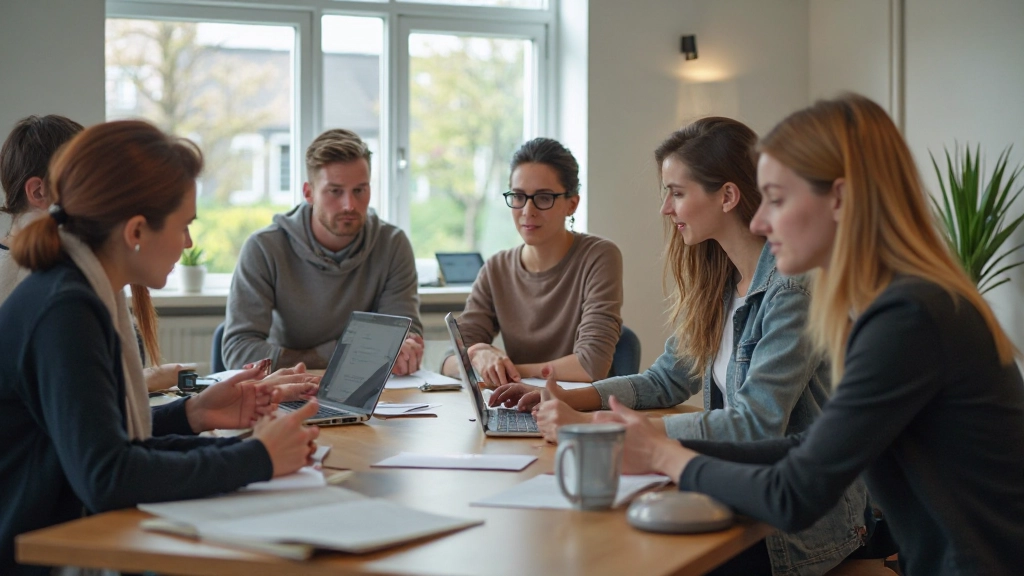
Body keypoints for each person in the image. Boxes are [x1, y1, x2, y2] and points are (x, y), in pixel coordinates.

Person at [603, 95, 1024, 576]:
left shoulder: (909, 317)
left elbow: (796, 492)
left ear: (840, 199)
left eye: (777, 200)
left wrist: (664, 453)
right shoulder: (899, 302)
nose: (760, 220)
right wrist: (659, 445)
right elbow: (810, 446)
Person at [491, 119, 874, 575]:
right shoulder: (722, 281)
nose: (665, 209)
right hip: (748, 494)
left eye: (676, 192)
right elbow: (666, 378)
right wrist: (570, 398)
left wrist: (604, 428)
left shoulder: (791, 291)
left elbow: (756, 424)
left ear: (727, 197)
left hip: (797, 529)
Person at [0, 120, 322, 576]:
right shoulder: (65, 309)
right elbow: (108, 476)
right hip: (40, 557)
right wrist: (257, 458)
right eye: (184, 225)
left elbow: (97, 442)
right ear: (135, 231)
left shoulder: (79, 288)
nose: (188, 243)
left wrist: (194, 414)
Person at [0, 114, 208, 391]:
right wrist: (142, 383)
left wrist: (190, 412)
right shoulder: (61, 298)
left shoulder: (90, 276)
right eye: (88, 184)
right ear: (39, 191)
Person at [224, 128, 424, 374]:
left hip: (369, 394)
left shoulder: (392, 244)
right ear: (309, 193)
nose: (349, 205)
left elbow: (404, 334)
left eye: (359, 190)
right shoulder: (264, 248)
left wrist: (406, 348)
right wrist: (338, 352)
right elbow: (238, 351)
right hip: (286, 390)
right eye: (335, 191)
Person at [440, 137, 623, 386]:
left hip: (580, 410)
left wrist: (507, 370)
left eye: (544, 197)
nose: (527, 210)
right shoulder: (496, 269)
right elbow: (449, 360)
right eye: (518, 196)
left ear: (572, 204)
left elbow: (591, 365)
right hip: (518, 406)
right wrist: (477, 353)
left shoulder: (599, 256)